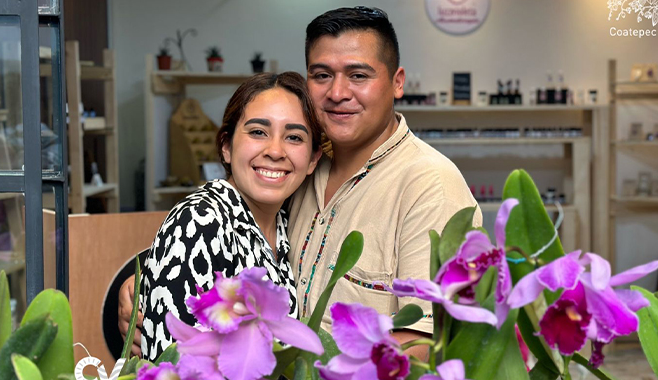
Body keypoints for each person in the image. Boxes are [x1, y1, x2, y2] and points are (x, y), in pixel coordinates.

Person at [120, 6, 480, 360]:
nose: (338, 92)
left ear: (397, 82)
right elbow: (220, 237)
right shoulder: (300, 172)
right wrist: (145, 281)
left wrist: (313, 366)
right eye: (322, 75)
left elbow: (426, 344)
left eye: (358, 75)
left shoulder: (430, 185)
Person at [137, 72, 322, 360]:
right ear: (226, 146)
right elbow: (173, 364)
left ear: (312, 160)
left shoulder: (284, 225)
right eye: (258, 131)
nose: (275, 150)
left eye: (294, 137)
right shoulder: (199, 222)